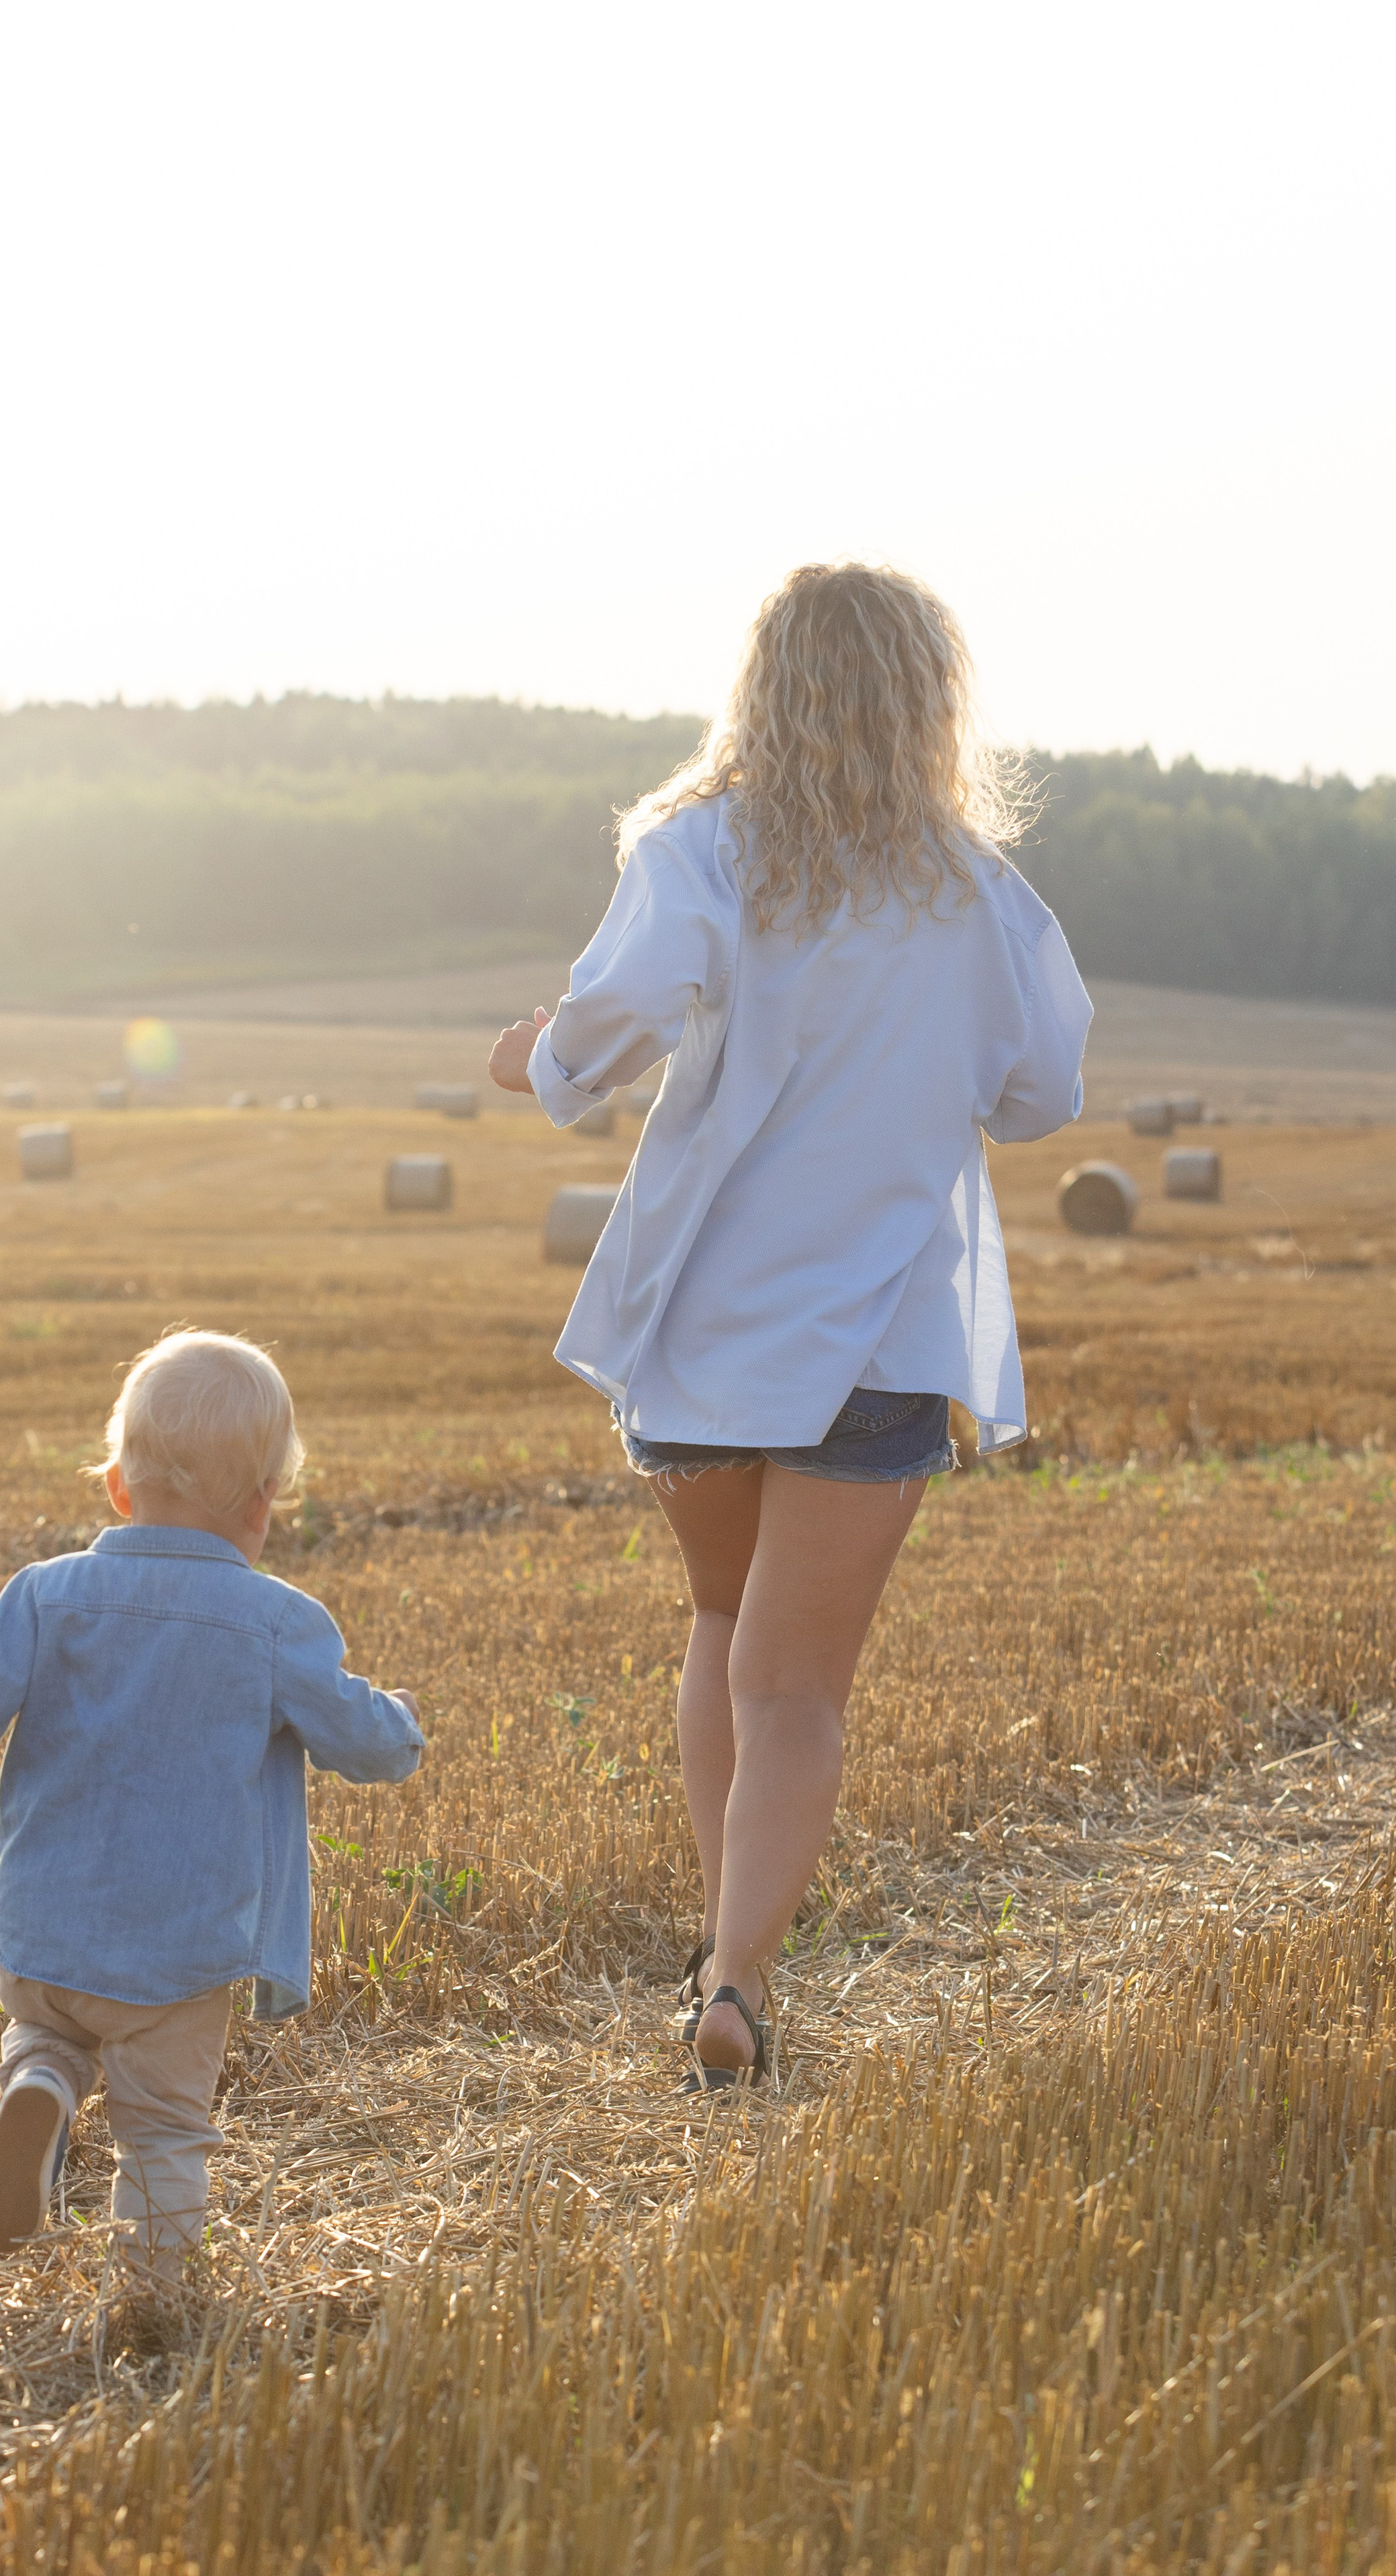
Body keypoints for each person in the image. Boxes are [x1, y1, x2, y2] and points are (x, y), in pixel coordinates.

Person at [489, 563, 1091, 2092]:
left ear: (760, 690)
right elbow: (1043, 1095)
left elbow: (613, 1018)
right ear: (929, 704)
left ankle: (717, 1952)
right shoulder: (981, 896)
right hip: (878, 1337)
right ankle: (740, 1969)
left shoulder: (698, 848)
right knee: (794, 1685)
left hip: (703, 1326)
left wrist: (540, 1061)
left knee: (716, 1630)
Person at [0, 1329, 424, 2277]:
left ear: (120, 1489)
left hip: (46, 1932)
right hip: (178, 1952)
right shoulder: (275, 1621)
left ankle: (41, 2078)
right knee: (164, 2132)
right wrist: (403, 1725)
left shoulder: (44, 1597)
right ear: (265, 1505)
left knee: (48, 2029)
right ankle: (150, 2304)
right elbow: (362, 1740)